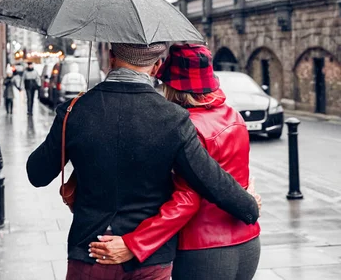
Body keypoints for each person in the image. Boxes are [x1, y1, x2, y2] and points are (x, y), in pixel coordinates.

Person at [27, 42, 259, 280]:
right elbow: (209, 179)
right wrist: (248, 206)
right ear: (157, 66)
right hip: (149, 262)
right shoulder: (173, 117)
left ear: (111, 58)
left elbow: (37, 174)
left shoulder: (74, 110)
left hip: (89, 252)